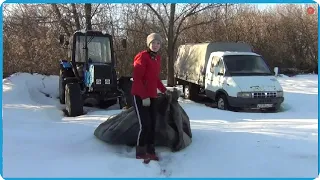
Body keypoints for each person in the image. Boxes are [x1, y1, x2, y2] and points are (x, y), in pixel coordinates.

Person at [131, 33, 167, 161]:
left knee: (153, 124)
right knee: (145, 125)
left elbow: (154, 78)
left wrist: (164, 90)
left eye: (158, 43)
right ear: (149, 44)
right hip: (140, 95)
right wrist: (143, 96)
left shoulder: (157, 59)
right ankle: (140, 152)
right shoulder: (142, 57)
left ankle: (151, 151)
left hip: (152, 96)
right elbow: (137, 79)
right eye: (153, 43)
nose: (156, 45)